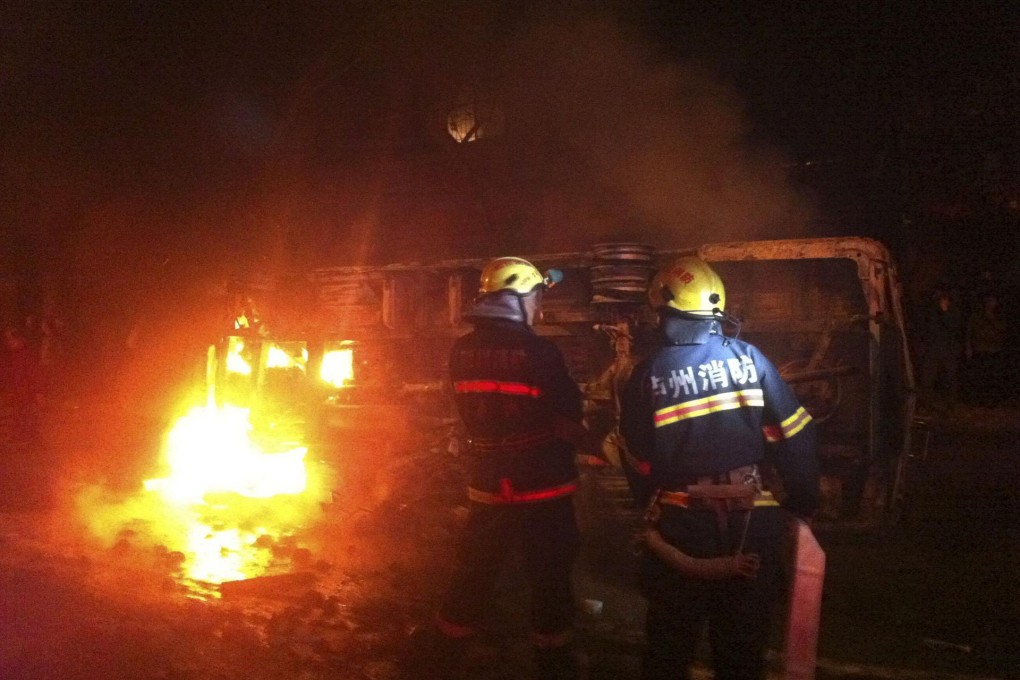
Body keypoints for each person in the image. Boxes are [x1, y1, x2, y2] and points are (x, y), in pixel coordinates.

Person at [619, 257, 821, 680]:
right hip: (753, 523)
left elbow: (638, 460)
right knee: (742, 653)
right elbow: (796, 435)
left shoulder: (647, 373)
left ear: (663, 309)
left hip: (682, 524)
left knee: (668, 651)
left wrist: (648, 505)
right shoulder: (750, 359)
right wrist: (801, 503)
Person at [412, 257, 590, 680]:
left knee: (474, 570)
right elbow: (569, 410)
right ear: (520, 299)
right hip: (544, 485)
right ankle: (553, 662)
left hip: (488, 484)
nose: (539, 305)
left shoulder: (460, 350)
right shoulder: (540, 351)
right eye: (537, 296)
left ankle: (444, 655)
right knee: (549, 576)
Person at [918, 287, 964, 414]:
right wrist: (923, 345)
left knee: (950, 379)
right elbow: (925, 328)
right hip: (933, 349)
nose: (942, 301)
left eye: (945, 299)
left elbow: (954, 328)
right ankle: (926, 405)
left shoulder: (954, 312)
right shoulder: (931, 311)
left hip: (948, 350)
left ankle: (951, 406)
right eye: (940, 299)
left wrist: (945, 312)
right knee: (927, 378)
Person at [964, 292, 1005, 406]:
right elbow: (969, 332)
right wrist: (969, 347)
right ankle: (977, 399)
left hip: (993, 349)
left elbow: (1002, 329)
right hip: (980, 348)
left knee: (992, 376)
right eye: (989, 302)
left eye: (993, 302)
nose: (991, 304)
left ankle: (991, 400)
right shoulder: (977, 315)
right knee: (980, 374)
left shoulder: (998, 316)